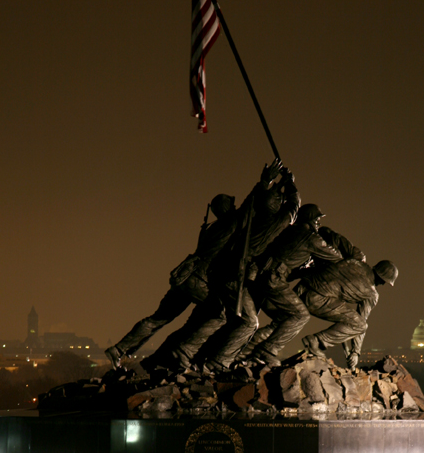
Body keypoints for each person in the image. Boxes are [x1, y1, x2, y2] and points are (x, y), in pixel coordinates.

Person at [146, 160, 299, 374]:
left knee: (217, 317)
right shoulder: (271, 225)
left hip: (220, 275)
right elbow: (293, 210)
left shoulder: (249, 220)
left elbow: (253, 202)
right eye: (279, 201)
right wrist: (290, 185)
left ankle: (184, 353)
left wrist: (270, 183)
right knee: (248, 322)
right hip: (232, 278)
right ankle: (215, 363)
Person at [104, 193, 238, 370]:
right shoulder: (229, 225)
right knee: (220, 314)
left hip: (184, 277)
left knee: (157, 319)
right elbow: (243, 213)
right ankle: (185, 351)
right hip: (198, 280)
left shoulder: (209, 228)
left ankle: (118, 349)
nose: (235, 208)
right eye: (232, 206)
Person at [239, 204, 346, 367]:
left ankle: (244, 353)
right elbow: (336, 257)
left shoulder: (288, 231)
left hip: (262, 277)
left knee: (282, 318)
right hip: (274, 279)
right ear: (310, 219)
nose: (319, 223)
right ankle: (267, 351)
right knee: (300, 315)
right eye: (317, 219)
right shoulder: (311, 238)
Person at [297, 258, 398, 369]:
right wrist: (355, 352)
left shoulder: (356, 263)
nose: (383, 284)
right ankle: (315, 341)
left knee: (350, 319)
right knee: (360, 325)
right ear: (381, 276)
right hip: (317, 300)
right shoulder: (371, 294)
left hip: (303, 288)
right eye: (385, 281)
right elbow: (361, 322)